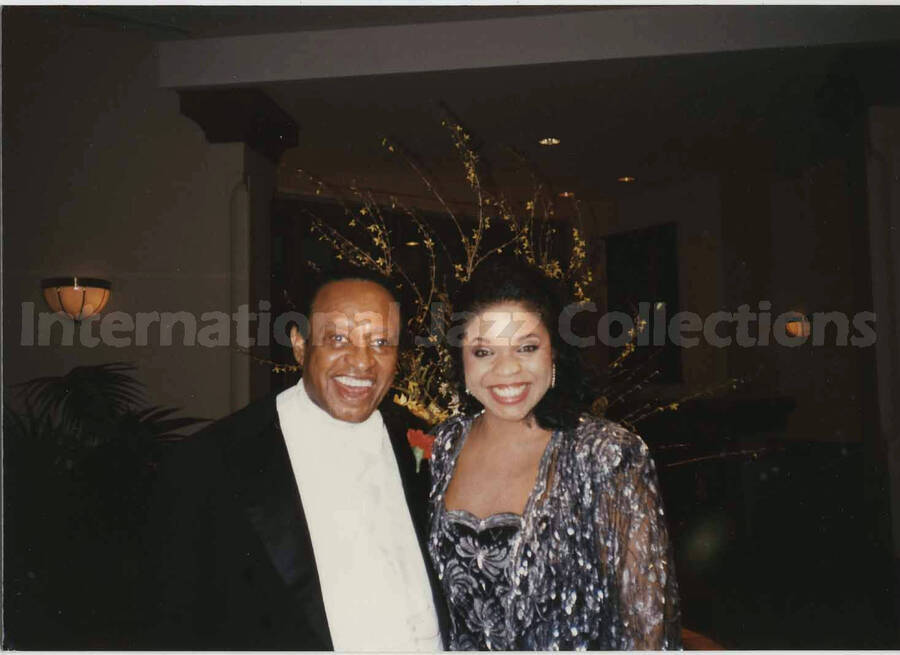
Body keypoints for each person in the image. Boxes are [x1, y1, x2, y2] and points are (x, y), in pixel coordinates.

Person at [147, 268, 447, 650]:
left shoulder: (420, 443)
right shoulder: (211, 462)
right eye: (338, 338)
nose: (362, 362)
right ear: (300, 344)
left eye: (381, 342)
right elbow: (176, 626)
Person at [427, 258, 681, 650]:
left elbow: (645, 627)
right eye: (483, 352)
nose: (506, 370)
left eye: (526, 347)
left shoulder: (606, 454)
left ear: (554, 353)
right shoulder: (446, 444)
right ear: (460, 360)